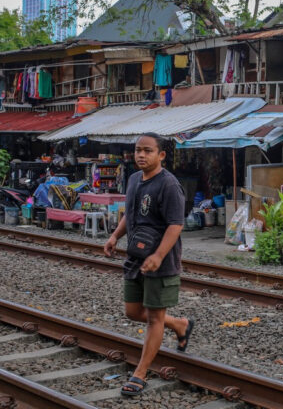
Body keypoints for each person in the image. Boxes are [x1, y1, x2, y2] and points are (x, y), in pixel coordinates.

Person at [104, 132, 193, 397]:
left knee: (154, 318)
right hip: (135, 258)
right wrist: (114, 236)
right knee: (132, 312)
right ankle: (179, 324)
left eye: (148, 150)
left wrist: (158, 256)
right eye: (137, 150)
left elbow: (175, 225)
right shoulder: (133, 180)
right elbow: (129, 214)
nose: (141, 155)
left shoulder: (169, 185)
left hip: (161, 263)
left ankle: (140, 373)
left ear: (161, 155)